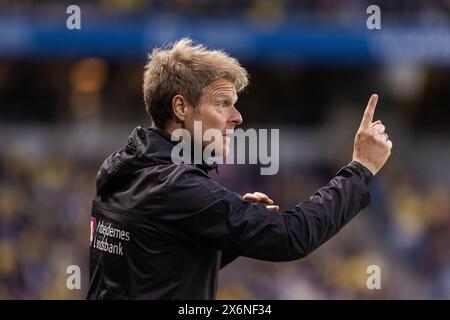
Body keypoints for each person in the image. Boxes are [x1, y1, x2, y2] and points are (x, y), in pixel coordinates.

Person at [87, 38, 392, 299]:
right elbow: (290, 237)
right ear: (181, 108)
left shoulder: (122, 169)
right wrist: (361, 169)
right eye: (222, 103)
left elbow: (151, 268)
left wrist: (220, 225)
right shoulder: (177, 186)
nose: (237, 117)